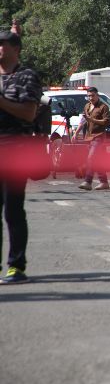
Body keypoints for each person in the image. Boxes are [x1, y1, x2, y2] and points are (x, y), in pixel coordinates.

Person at [0, 29, 42, 284]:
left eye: (3, 45)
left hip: (16, 150)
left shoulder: (27, 77)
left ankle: (16, 266)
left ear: (16, 48)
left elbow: (28, 113)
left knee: (13, 210)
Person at [78, 87, 110, 191]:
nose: (90, 98)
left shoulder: (103, 107)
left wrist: (93, 119)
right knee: (97, 160)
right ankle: (104, 182)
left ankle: (88, 181)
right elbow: (84, 120)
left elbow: (106, 122)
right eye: (89, 96)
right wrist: (76, 132)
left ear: (97, 95)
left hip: (99, 136)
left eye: (92, 95)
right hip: (89, 137)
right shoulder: (87, 106)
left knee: (91, 158)